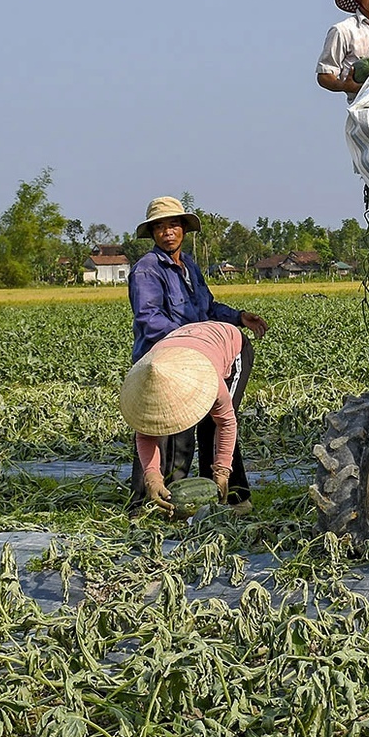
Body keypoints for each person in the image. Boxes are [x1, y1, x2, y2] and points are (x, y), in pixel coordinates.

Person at [127, 196, 265, 511]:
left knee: (213, 420)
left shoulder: (188, 264)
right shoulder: (146, 271)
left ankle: (227, 496)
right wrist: (188, 342)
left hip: (209, 356)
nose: (168, 232)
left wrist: (239, 317)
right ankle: (146, 503)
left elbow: (208, 308)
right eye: (159, 227)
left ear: (184, 229)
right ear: (152, 234)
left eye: (173, 225)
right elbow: (149, 320)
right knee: (160, 427)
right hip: (166, 361)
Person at [120, 321, 252, 513]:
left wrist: (222, 469)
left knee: (211, 427)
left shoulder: (212, 381)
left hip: (229, 344)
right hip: (182, 344)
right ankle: (202, 503)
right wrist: (152, 477)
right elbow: (146, 434)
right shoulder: (147, 380)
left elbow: (226, 422)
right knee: (164, 427)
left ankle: (236, 498)